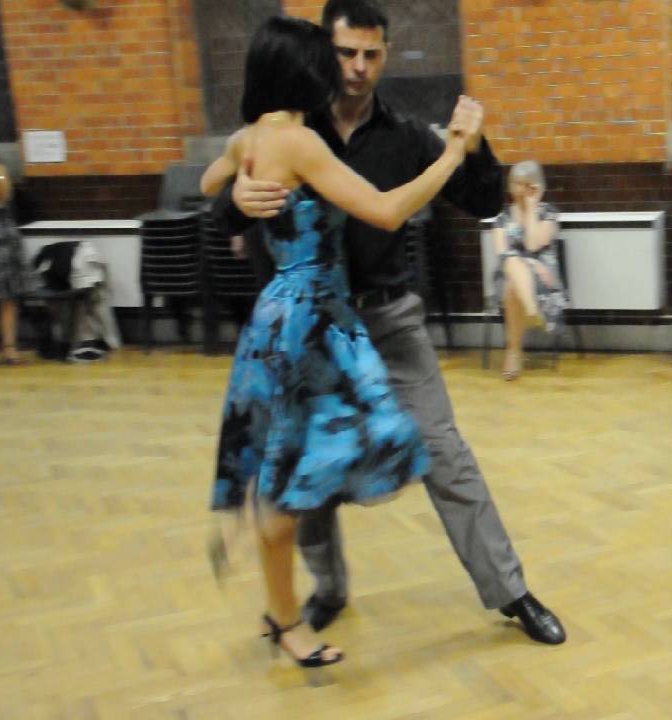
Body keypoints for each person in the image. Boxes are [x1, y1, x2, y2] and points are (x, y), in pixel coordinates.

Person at [212, 0, 565, 644]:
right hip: (311, 330)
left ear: (385, 55)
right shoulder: (291, 124)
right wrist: (235, 200)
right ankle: (328, 588)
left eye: (372, 54)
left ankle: (511, 591)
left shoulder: (404, 135)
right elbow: (226, 211)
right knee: (308, 470)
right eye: (347, 52)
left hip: (387, 321)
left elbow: (484, 201)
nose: (359, 67)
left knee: (445, 452)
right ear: (326, 49)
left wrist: (474, 146)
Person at [201, 14, 478, 668]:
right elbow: (384, 211)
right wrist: (453, 155)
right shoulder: (299, 142)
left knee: (303, 471)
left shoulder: (251, 138)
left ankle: (276, 590)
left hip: (279, 314)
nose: (340, 69)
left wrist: (239, 183)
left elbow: (212, 180)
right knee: (308, 474)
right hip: (310, 318)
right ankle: (286, 614)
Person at [491, 160, 566, 380]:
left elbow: (533, 245)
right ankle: (532, 310)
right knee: (512, 264)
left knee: (514, 281)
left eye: (526, 184)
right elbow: (502, 254)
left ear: (536, 186)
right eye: (515, 183)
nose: (520, 189)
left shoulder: (548, 214)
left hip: (543, 282)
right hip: (510, 275)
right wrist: (525, 263)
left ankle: (513, 353)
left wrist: (532, 207)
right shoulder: (501, 219)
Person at [0, 159, 26, 367]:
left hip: (5, 247)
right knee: (3, 302)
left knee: (8, 300)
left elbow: (3, 190)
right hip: (0, 243)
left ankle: (7, 349)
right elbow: (1, 191)